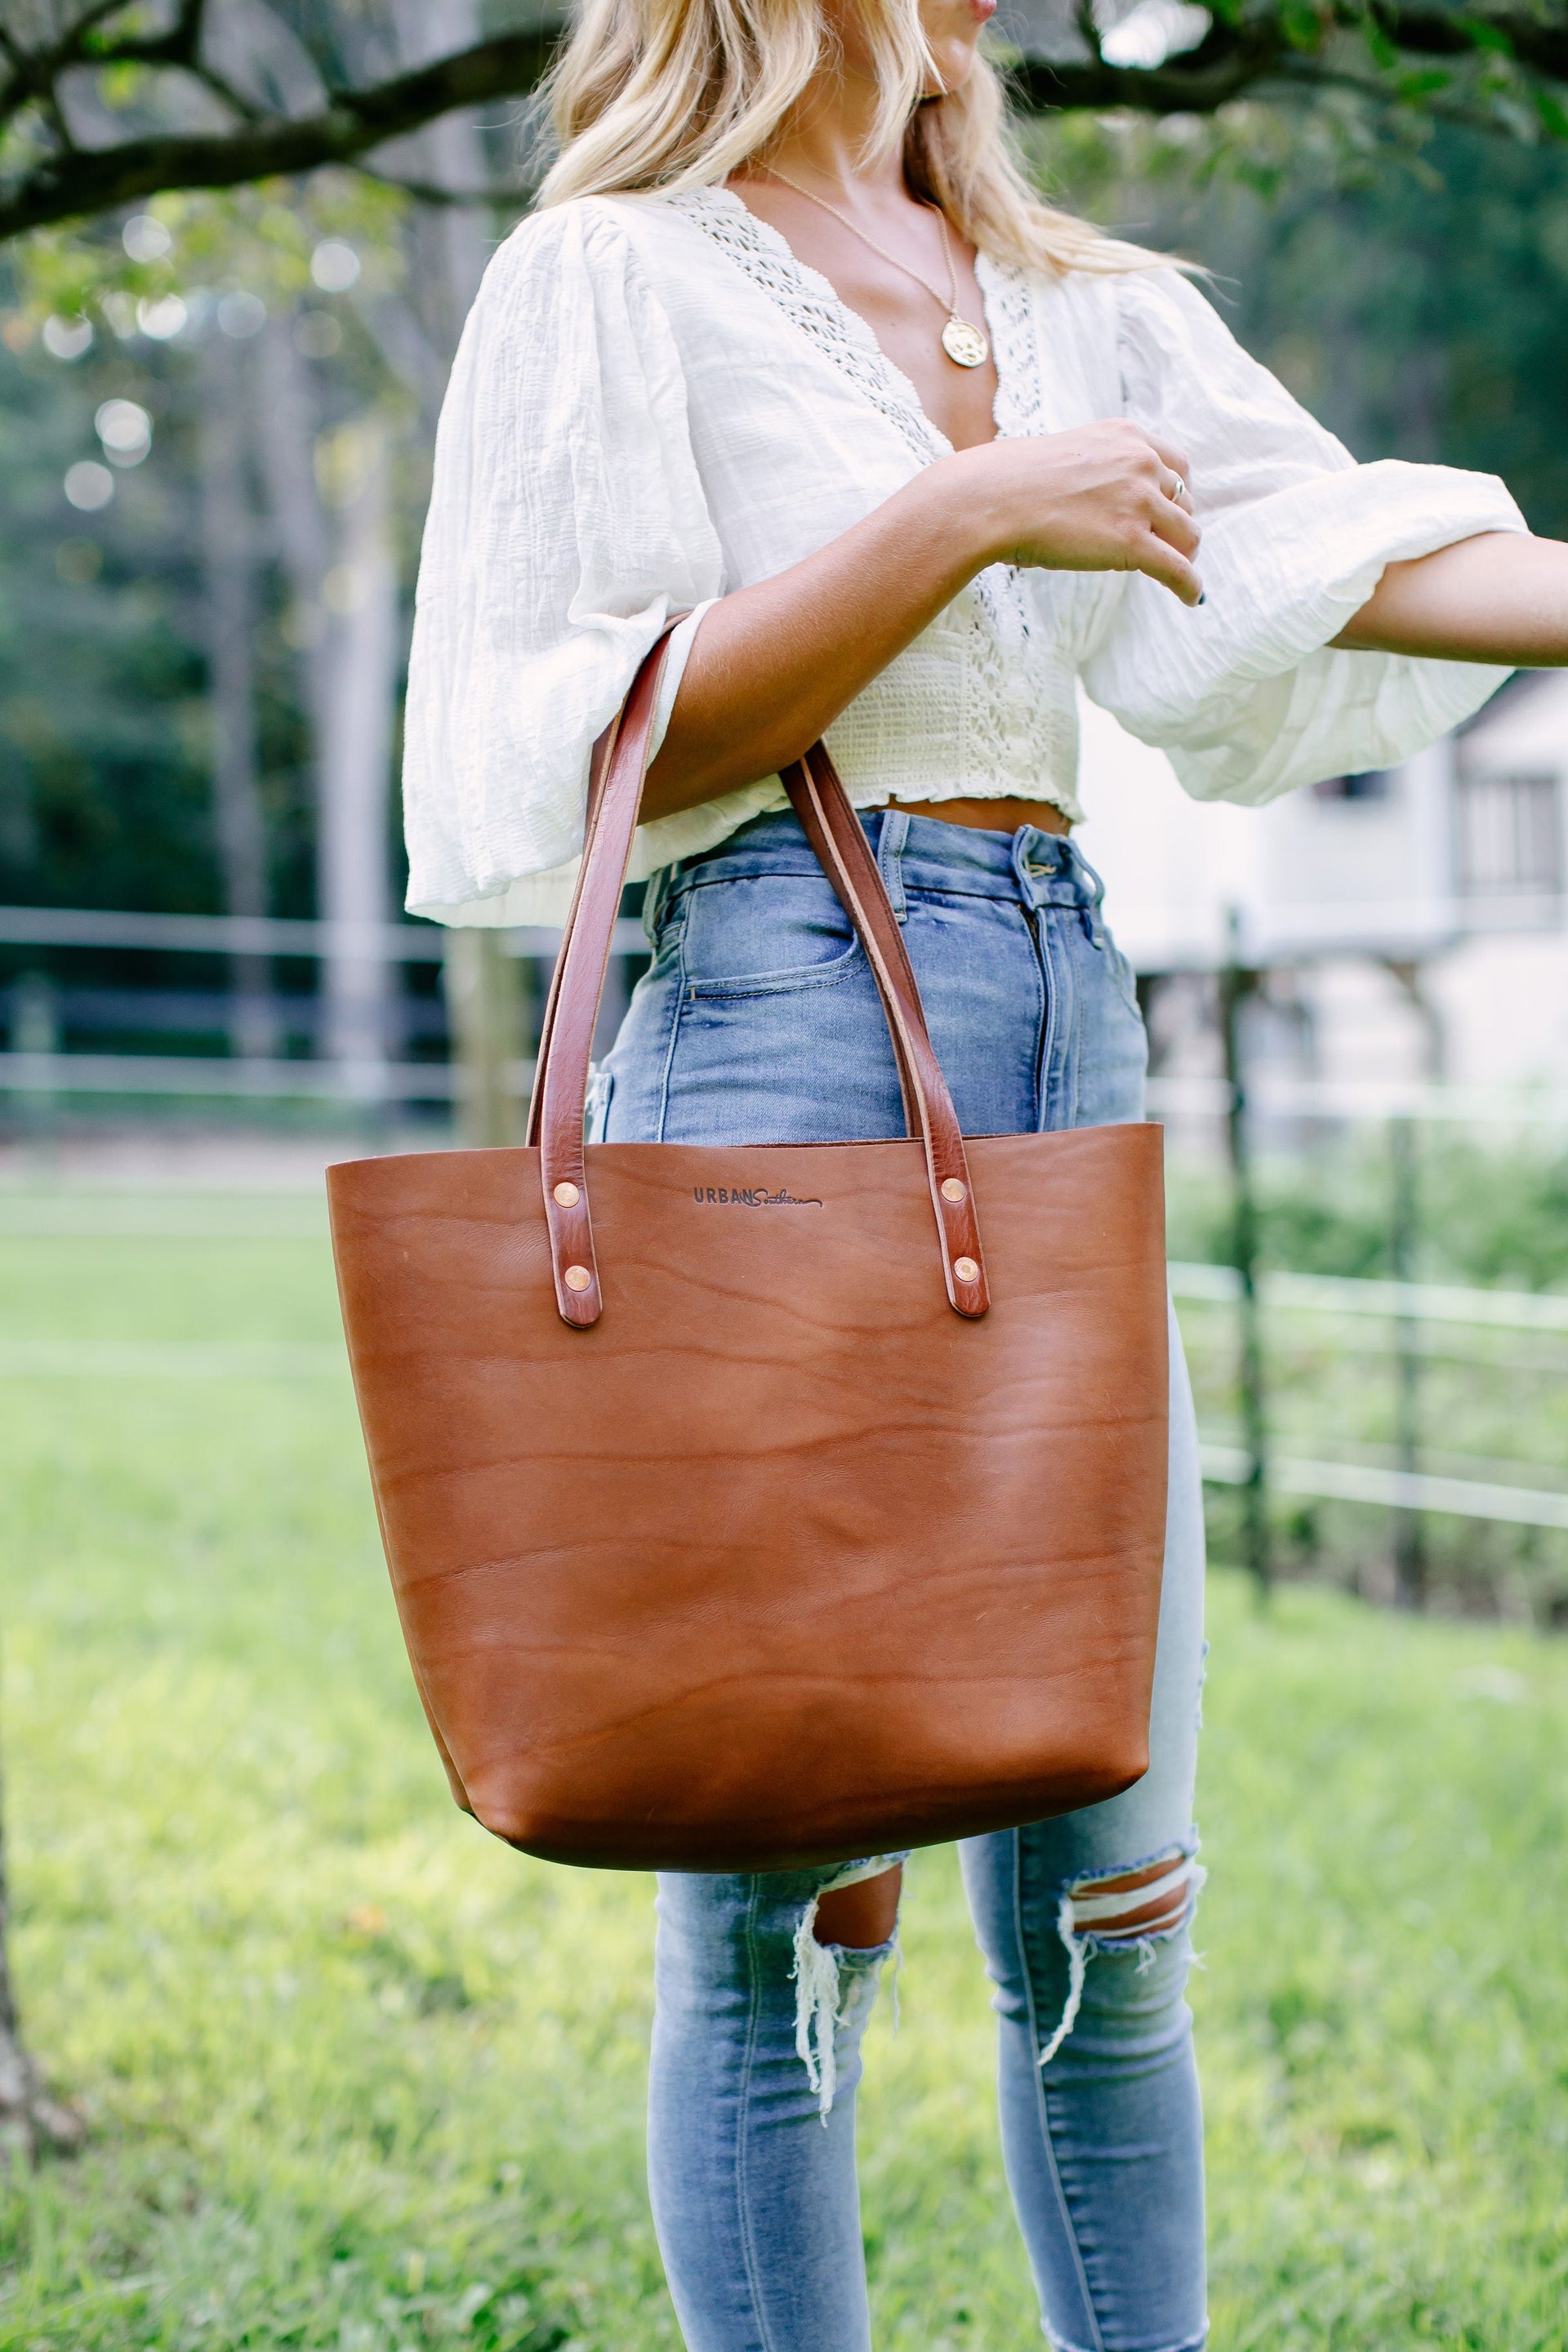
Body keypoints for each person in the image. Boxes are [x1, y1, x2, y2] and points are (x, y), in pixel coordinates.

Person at [400, 0, 1568, 2340]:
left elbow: (1341, 563)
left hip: (1065, 1013)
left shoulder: (1071, 295)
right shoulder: (615, 274)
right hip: (777, 1013)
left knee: (1119, 1882)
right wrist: (960, 514)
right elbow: (580, 730)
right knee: (786, 1892)